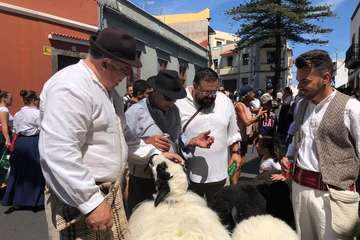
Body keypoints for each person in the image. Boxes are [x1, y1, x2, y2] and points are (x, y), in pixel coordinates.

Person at [39, 28, 155, 240]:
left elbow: (124, 139)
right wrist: (90, 202)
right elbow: (58, 152)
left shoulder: (110, 93)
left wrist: (154, 154)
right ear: (105, 63)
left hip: (105, 196)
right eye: (124, 70)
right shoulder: (71, 87)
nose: (127, 77)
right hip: (81, 201)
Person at [281, 49, 360, 239]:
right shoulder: (300, 104)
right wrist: (289, 155)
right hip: (299, 190)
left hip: (333, 196)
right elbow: (300, 133)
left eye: (305, 81)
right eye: (299, 81)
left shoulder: (351, 108)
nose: (299, 86)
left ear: (325, 78)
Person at [125, 70, 213, 215]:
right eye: (167, 98)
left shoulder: (174, 110)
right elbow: (123, 143)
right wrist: (146, 141)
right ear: (155, 92)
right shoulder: (135, 112)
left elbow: (176, 139)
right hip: (144, 180)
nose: (171, 102)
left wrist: (191, 141)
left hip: (170, 178)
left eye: (174, 98)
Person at [175, 68, 242, 205]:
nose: (211, 96)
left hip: (221, 177)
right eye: (206, 92)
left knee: (220, 217)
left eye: (214, 92)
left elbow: (233, 132)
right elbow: (172, 139)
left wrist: (235, 153)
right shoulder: (179, 104)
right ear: (194, 86)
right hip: (189, 178)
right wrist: (191, 141)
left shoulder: (225, 101)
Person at [2, 90, 44, 212]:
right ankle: (35, 201)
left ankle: (18, 200)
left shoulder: (18, 114)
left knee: (19, 171)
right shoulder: (37, 114)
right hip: (33, 143)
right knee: (35, 171)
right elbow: (42, 128)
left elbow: (15, 130)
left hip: (20, 143)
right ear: (34, 100)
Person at [234, 85, 266, 183]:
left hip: (244, 138)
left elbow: (253, 111)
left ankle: (236, 181)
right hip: (237, 138)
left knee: (241, 162)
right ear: (246, 94)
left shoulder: (248, 105)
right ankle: (232, 184)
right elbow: (247, 122)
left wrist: (264, 108)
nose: (254, 94)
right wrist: (258, 116)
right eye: (252, 92)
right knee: (237, 163)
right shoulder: (239, 105)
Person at [0, 90, 13, 187]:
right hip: (2, 136)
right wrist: (7, 139)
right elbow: (4, 125)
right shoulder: (4, 109)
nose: (12, 100)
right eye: (10, 98)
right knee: (3, 160)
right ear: (4, 98)